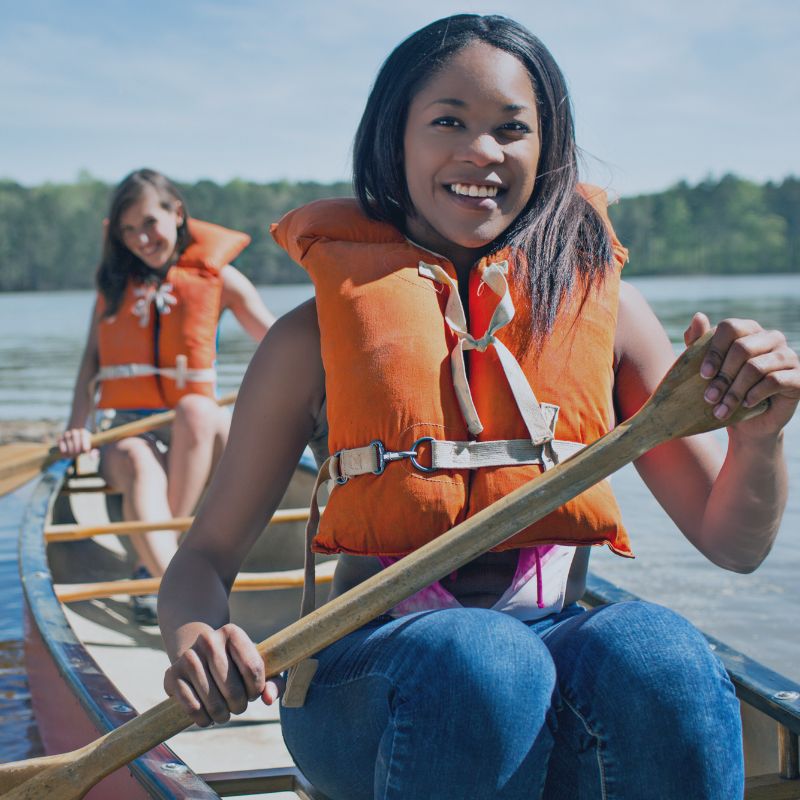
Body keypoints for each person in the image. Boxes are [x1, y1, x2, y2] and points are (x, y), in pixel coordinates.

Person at [158, 15, 800, 800]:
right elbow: (202, 560)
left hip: (551, 659)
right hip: (371, 685)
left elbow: (733, 545)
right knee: (485, 658)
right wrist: (196, 638)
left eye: (511, 130)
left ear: (547, 149)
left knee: (659, 649)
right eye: (448, 122)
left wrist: (760, 440)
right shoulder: (312, 336)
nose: (482, 152)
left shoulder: (611, 315)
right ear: (396, 140)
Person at [58, 168, 275, 624]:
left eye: (149, 223)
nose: (141, 238)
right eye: (128, 230)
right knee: (138, 459)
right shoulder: (113, 289)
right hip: (127, 431)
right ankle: (178, 584)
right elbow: (90, 366)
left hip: (198, 434)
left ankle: (156, 567)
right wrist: (77, 425)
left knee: (196, 409)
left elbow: (278, 343)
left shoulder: (222, 280)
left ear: (176, 214)